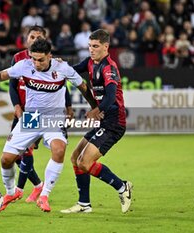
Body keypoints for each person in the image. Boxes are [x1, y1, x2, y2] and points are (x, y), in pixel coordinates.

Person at [0, 39, 98, 212]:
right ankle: (11, 192)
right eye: (33, 59)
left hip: (53, 119)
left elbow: (82, 86)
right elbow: (1, 75)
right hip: (32, 118)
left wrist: (95, 107)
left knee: (58, 150)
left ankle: (44, 195)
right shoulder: (24, 66)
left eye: (40, 60)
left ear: (50, 56)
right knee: (6, 159)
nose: (36, 63)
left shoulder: (62, 68)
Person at [60, 29, 133, 214]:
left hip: (114, 123)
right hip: (104, 121)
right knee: (75, 158)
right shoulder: (91, 62)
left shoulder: (109, 68)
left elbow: (109, 98)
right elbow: (73, 70)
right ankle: (84, 204)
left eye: (95, 46)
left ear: (106, 47)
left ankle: (123, 187)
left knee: (84, 162)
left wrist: (96, 110)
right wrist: (60, 66)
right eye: (89, 46)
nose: (91, 50)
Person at [5, 25, 73, 210]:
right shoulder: (19, 58)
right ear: (26, 39)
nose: (35, 40)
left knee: (28, 152)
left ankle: (29, 189)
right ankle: (36, 186)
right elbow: (12, 85)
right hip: (25, 111)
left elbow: (62, 86)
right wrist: (17, 106)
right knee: (17, 155)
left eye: (39, 37)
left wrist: (68, 106)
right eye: (32, 37)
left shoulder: (53, 62)